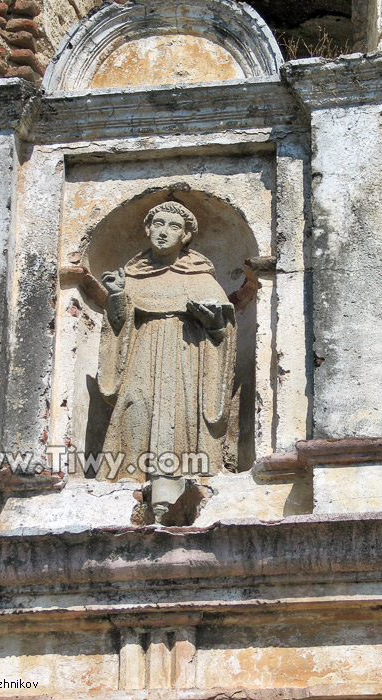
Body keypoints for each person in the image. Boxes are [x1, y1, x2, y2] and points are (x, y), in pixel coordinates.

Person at [97, 202, 236, 520]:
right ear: (147, 230)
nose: (163, 231)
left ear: (186, 235)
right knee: (137, 408)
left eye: (173, 226)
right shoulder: (131, 278)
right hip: (142, 358)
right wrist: (117, 297)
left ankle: (183, 492)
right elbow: (117, 328)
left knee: (179, 417)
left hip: (185, 360)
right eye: (158, 224)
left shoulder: (201, 278)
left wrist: (213, 321)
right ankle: (129, 483)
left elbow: (224, 333)